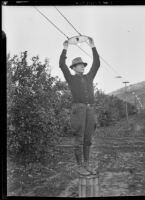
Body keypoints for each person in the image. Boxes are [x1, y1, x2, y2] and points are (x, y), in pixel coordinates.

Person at [59, 37, 100, 175]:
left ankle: (87, 165)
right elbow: (61, 65)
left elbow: (97, 64)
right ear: (74, 68)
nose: (83, 66)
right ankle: (79, 166)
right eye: (80, 65)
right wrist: (65, 48)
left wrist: (93, 46)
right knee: (79, 139)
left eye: (83, 64)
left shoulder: (89, 77)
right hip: (78, 110)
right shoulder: (71, 78)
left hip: (90, 109)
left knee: (88, 138)